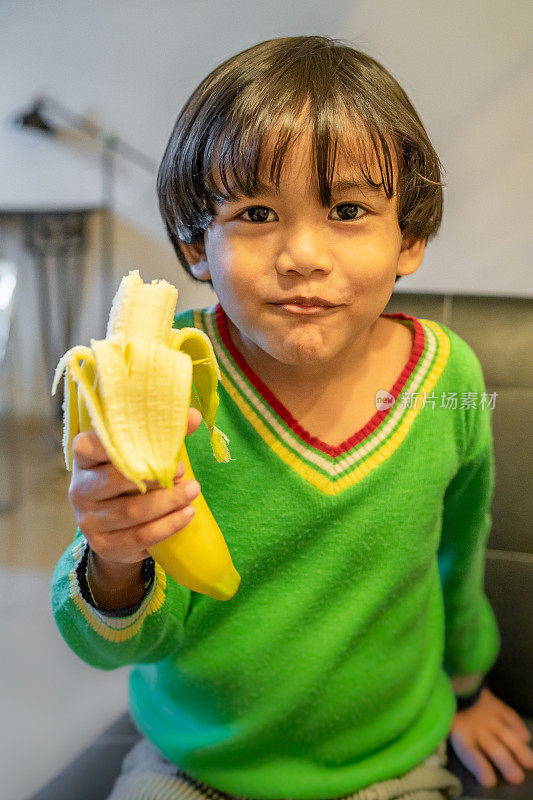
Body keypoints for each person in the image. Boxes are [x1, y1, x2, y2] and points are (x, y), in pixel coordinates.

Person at [51, 35, 533, 800]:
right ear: (195, 244)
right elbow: (114, 648)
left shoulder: (452, 382)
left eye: (347, 210)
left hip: (390, 764)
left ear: (407, 237)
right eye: (255, 212)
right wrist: (112, 559)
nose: (302, 253)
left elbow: (459, 550)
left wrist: (467, 692)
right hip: (194, 764)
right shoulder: (169, 387)